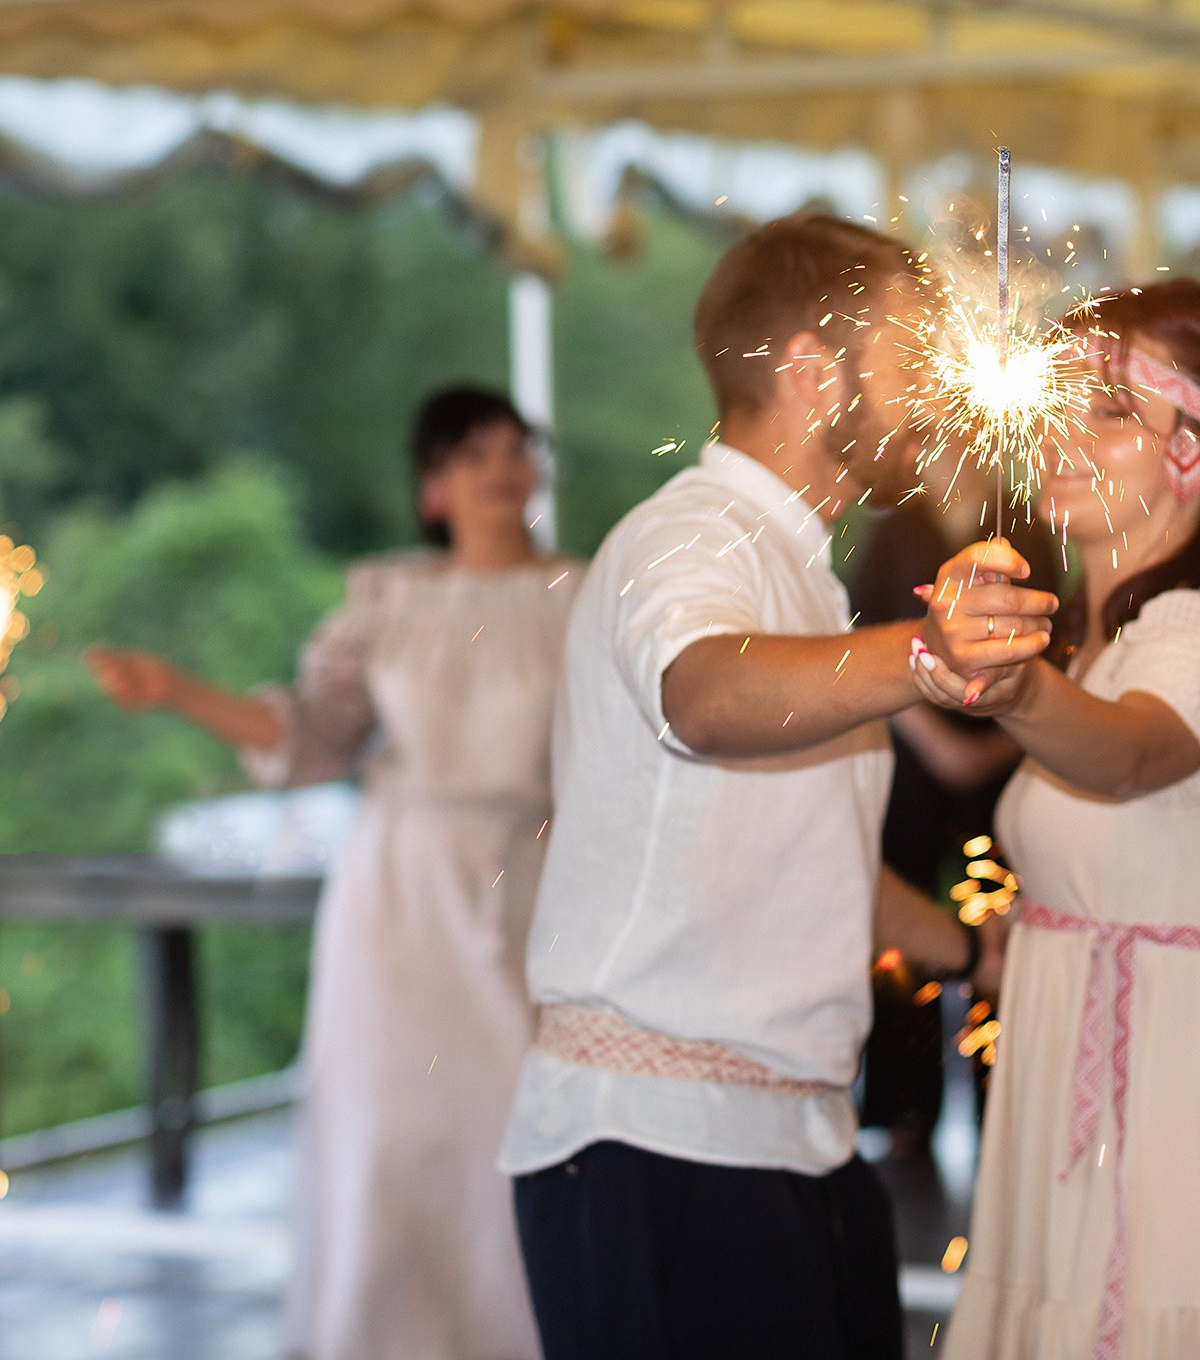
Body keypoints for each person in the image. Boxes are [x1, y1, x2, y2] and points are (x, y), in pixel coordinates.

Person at [499, 212, 1054, 1360]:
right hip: (654, 1147)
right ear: (812, 371)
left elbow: (814, 863)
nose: (935, 390)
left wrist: (974, 951)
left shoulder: (803, 572)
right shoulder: (686, 538)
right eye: (909, 353)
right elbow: (703, 695)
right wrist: (924, 654)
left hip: (798, 1143)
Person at [84, 386, 580, 1360]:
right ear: (433, 486)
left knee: (516, 1127)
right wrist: (176, 690)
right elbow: (313, 738)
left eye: (515, 449)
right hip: (396, 896)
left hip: (529, 884)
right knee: (384, 1133)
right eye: (473, 454)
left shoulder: (591, 594)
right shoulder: (385, 601)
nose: (501, 470)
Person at [919, 279, 1200, 1359]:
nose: (1067, 434)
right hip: (1069, 1053)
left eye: (1113, 411)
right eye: (1061, 404)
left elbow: (1124, 757)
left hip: (1172, 1078)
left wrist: (1011, 682)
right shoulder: (1105, 642)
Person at [847, 479, 1060, 1156]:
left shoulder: (1024, 519)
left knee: (1003, 911)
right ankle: (903, 1106)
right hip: (912, 760)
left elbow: (1054, 646)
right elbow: (864, 643)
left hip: (1004, 755)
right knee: (905, 918)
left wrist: (995, 745)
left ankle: (1003, 1097)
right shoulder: (894, 524)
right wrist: (940, 746)